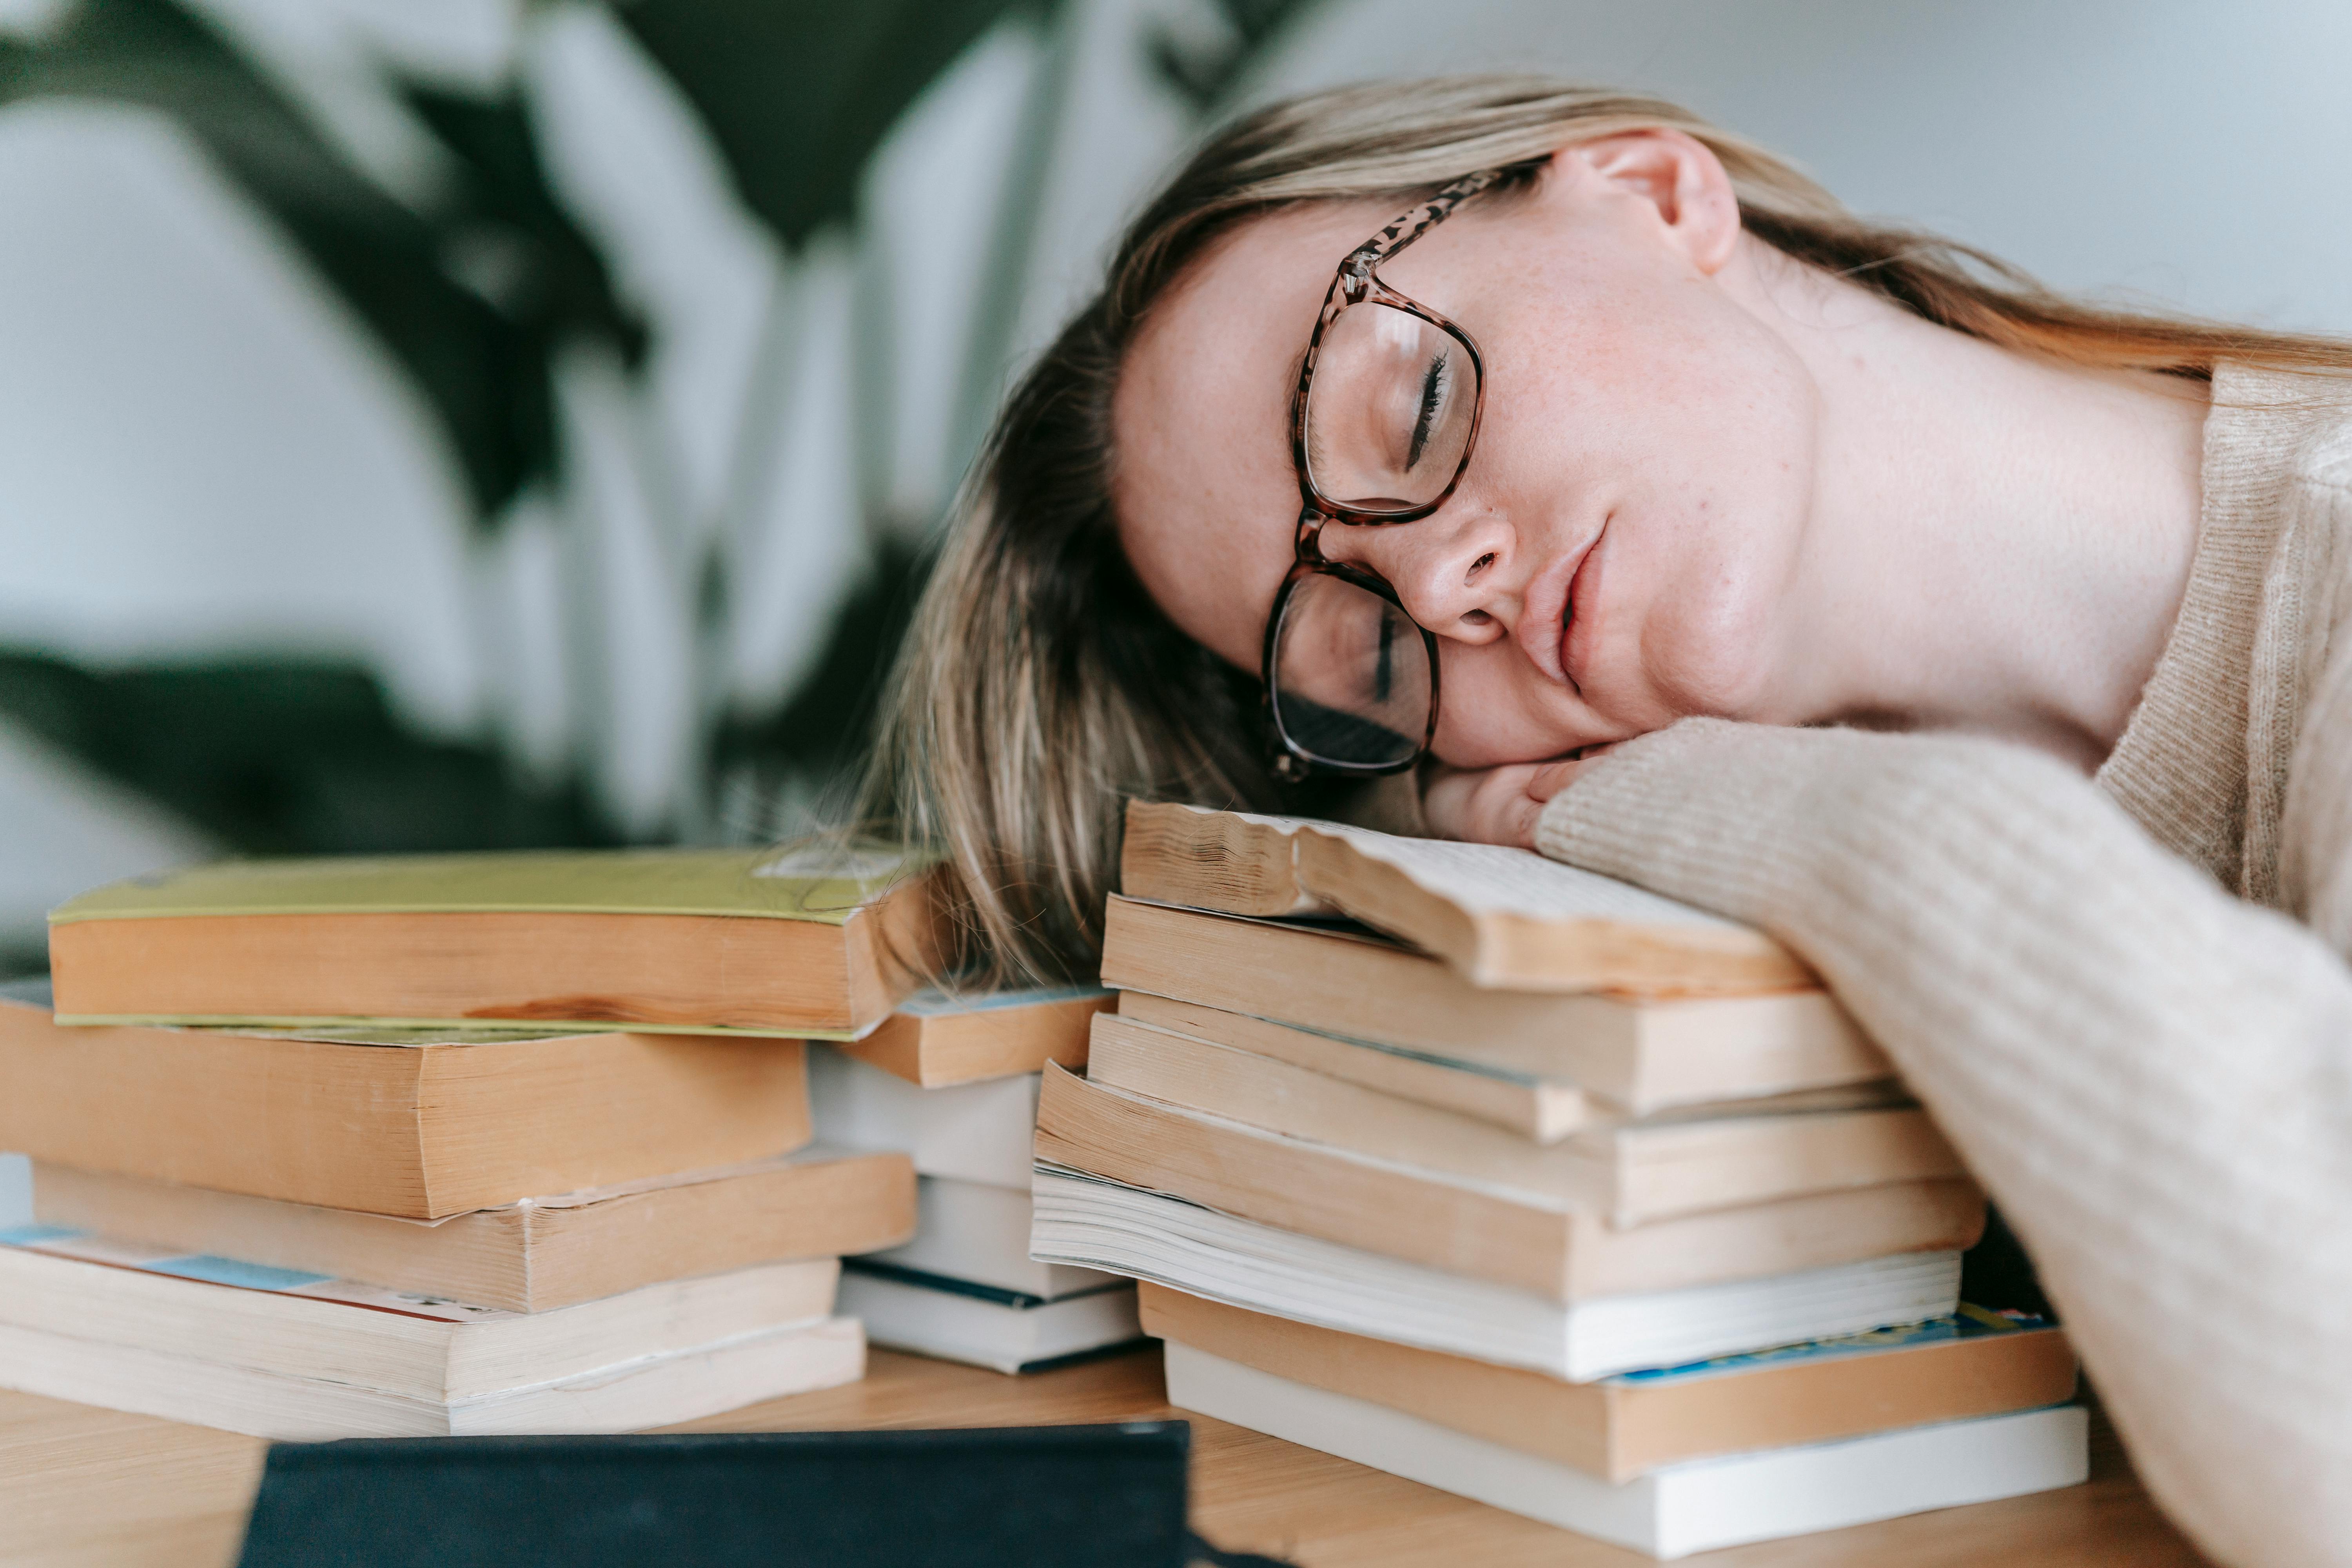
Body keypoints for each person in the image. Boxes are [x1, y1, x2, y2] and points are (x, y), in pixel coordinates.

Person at [858, 77, 2352, 1565]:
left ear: (1651, 191)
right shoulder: (1694, 954)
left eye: (1416, 406)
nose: (1441, 593)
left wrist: (1848, 833)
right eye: (1372, 657)